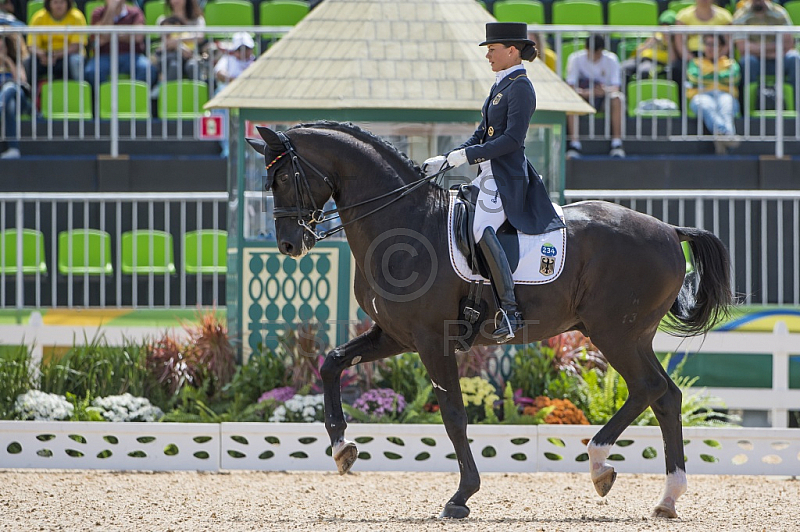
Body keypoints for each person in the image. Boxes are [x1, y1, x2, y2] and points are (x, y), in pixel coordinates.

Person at [421, 22, 565, 344]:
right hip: (487, 175)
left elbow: (512, 140)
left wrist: (467, 156)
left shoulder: (521, 87)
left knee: (480, 228)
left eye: (492, 49)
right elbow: (481, 134)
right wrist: (449, 158)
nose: (487, 55)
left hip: (507, 177)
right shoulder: (502, 85)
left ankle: (510, 311)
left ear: (511, 50)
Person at [564, 35, 625, 159]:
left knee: (617, 98)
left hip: (604, 99)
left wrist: (603, 91)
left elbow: (616, 87)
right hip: (583, 98)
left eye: (597, 53)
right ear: (586, 49)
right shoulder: (575, 59)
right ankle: (574, 145)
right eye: (591, 52)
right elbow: (570, 87)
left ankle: (617, 144)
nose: (594, 56)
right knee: (571, 100)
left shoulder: (611, 59)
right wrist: (588, 93)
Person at [732, 0, 799, 101]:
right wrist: (775, 47)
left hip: (778, 59)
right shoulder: (740, 15)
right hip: (756, 61)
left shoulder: (779, 13)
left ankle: (797, 103)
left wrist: (758, 49)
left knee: (794, 58)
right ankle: (748, 104)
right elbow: (743, 48)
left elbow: (788, 43)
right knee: (747, 61)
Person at [687, 34, 741, 153]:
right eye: (708, 44)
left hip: (725, 94)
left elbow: (734, 78)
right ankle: (727, 135)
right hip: (701, 95)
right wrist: (719, 76)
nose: (710, 48)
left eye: (714, 44)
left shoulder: (731, 63)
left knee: (727, 105)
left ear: (722, 47)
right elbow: (694, 78)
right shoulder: (695, 63)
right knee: (705, 105)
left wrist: (708, 75)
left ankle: (722, 137)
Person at [84, 0, 156, 87]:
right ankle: (106, 94)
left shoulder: (135, 12)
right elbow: (98, 37)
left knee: (148, 69)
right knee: (91, 71)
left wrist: (110, 35)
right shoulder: (98, 13)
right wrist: (110, 10)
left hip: (132, 56)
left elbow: (138, 37)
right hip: (104, 56)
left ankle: (134, 94)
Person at [24, 0, 86, 84]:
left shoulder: (77, 17)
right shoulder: (38, 18)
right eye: (55, 2)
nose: (58, 6)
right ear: (49, 4)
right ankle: (30, 90)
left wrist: (56, 55)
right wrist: (43, 55)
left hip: (68, 55)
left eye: (62, 2)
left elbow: (76, 45)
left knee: (75, 61)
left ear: (67, 4)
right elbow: (31, 46)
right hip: (45, 57)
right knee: (28, 61)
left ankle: (78, 89)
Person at [672, 0, 732, 85]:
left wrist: (719, 57)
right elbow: (679, 43)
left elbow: (728, 43)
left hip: (717, 56)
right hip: (692, 56)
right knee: (677, 68)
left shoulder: (724, 16)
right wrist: (692, 60)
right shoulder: (683, 16)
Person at [154, 0, 205, 82]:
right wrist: (181, 47)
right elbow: (167, 42)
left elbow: (200, 37)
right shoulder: (163, 20)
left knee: (192, 66)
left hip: (191, 56)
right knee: (174, 66)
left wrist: (177, 40)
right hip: (171, 57)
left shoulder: (197, 19)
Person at [620, 10, 677, 82]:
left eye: (668, 28)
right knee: (624, 67)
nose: (665, 31)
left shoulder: (676, 41)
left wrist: (669, 43)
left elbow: (673, 60)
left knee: (644, 70)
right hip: (640, 58)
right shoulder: (656, 35)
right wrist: (649, 44)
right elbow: (638, 52)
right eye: (663, 27)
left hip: (655, 62)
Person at [0, 34, 31, 158]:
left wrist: (8, 61)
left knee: (11, 87)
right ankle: (13, 149)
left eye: (1, 48)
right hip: (9, 103)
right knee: (9, 105)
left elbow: (21, 81)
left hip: (20, 99)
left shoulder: (15, 62)